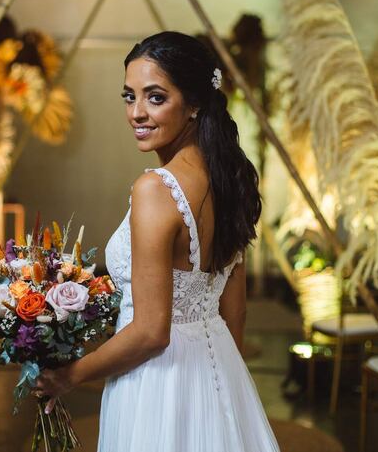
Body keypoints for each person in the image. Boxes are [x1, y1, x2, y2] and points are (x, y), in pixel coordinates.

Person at [36, 31, 280, 452]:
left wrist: (69, 375)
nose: (137, 113)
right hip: (219, 367)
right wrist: (220, 390)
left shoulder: (156, 188)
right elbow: (234, 314)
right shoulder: (229, 182)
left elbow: (151, 333)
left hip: (157, 382)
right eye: (129, 97)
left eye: (155, 97)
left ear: (195, 104)